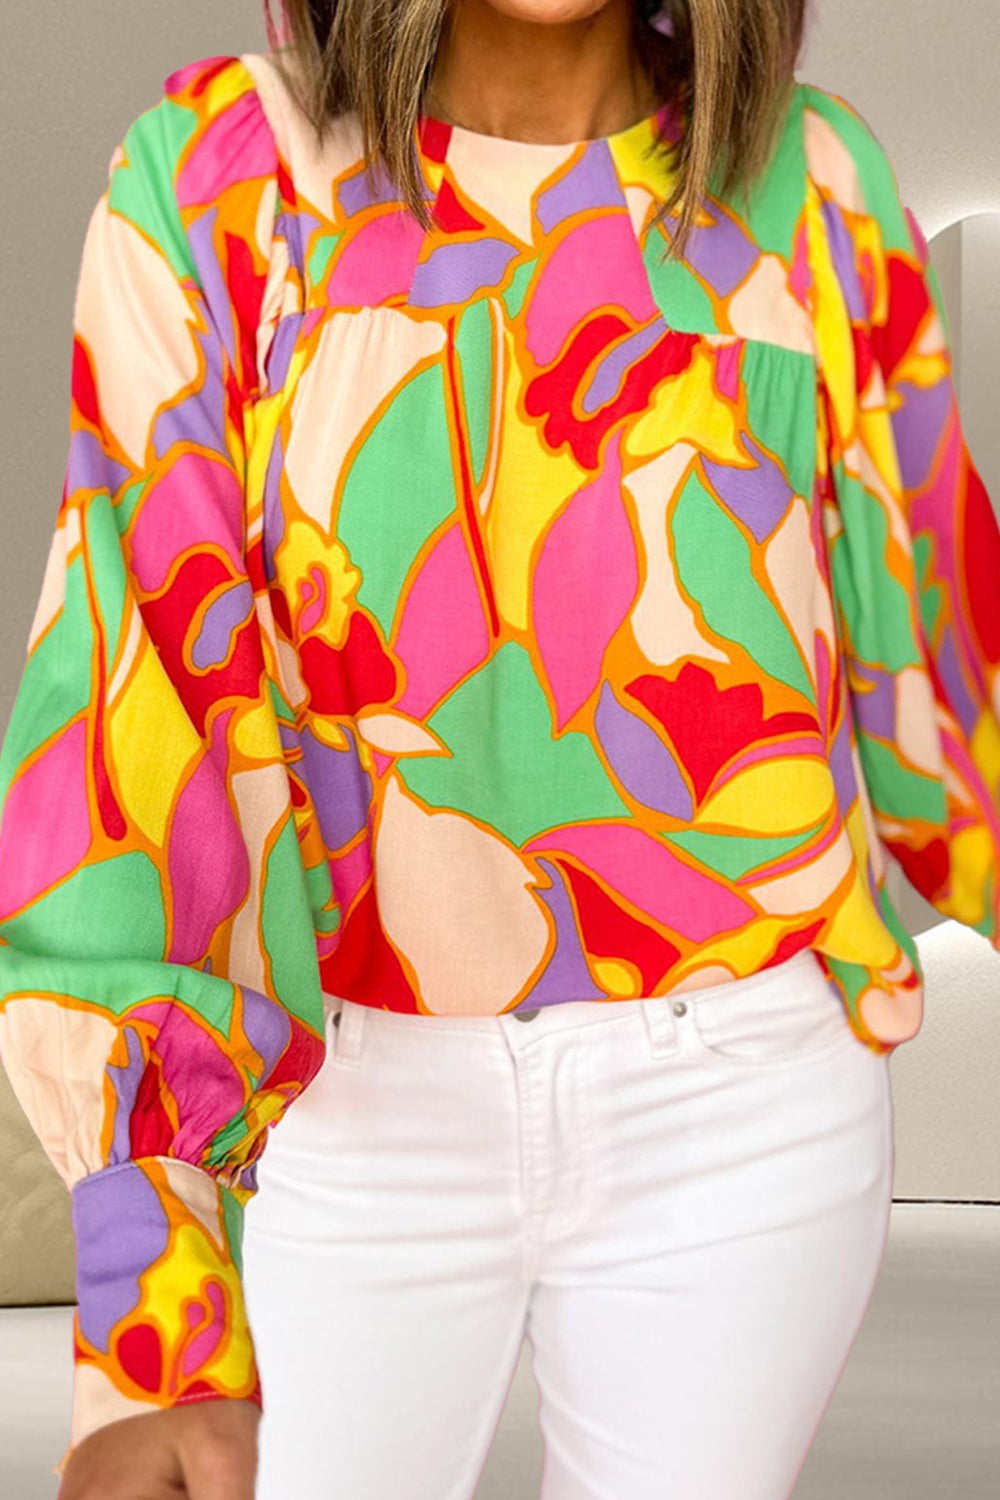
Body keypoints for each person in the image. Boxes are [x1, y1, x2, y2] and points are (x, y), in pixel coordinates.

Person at [1, 1, 998, 1497]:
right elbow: (134, 706)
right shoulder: (221, 176)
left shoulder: (817, 183)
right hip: (335, 1109)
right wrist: (153, 1313)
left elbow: (950, 682)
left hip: (743, 1102)